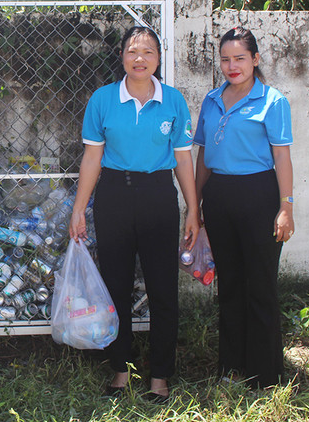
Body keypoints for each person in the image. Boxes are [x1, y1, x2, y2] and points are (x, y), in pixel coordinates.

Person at [70, 25, 200, 403]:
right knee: (116, 286)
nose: (139, 58)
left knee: (163, 289)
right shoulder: (103, 100)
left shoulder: (173, 101)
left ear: (158, 58)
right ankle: (120, 370)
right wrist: (79, 209)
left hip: (158, 196)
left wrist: (193, 209)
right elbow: (92, 158)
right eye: (132, 51)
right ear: (122, 56)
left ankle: (160, 377)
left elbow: (183, 160)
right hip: (114, 196)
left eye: (147, 52)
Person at [193, 27, 294, 388]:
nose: (232, 66)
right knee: (230, 284)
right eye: (225, 59)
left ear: (255, 59)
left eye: (239, 58)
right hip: (219, 197)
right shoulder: (212, 100)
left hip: (259, 195)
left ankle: (266, 374)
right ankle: (231, 366)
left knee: (260, 284)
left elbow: (282, 157)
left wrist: (286, 207)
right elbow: (203, 155)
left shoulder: (272, 101)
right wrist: (195, 205)